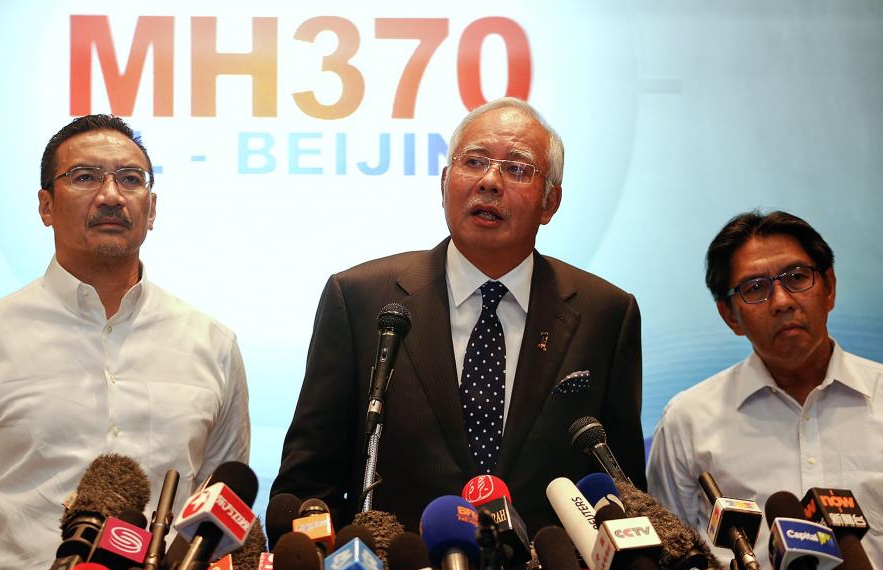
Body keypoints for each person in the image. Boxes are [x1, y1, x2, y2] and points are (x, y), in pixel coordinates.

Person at [272, 97, 645, 533]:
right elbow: (309, 485)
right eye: (474, 161)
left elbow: (626, 494)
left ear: (550, 202)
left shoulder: (605, 314)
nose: (490, 181)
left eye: (517, 168)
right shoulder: (360, 299)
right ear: (445, 182)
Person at [0, 115, 250, 570]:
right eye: (85, 177)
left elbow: (217, 521)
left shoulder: (213, 344)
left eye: (131, 179)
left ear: (152, 209)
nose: (111, 196)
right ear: (46, 206)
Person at [647, 210, 883, 570]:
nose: (781, 301)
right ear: (730, 315)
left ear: (829, 287)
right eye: (755, 288)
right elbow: (675, 561)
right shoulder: (687, 421)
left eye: (797, 278)